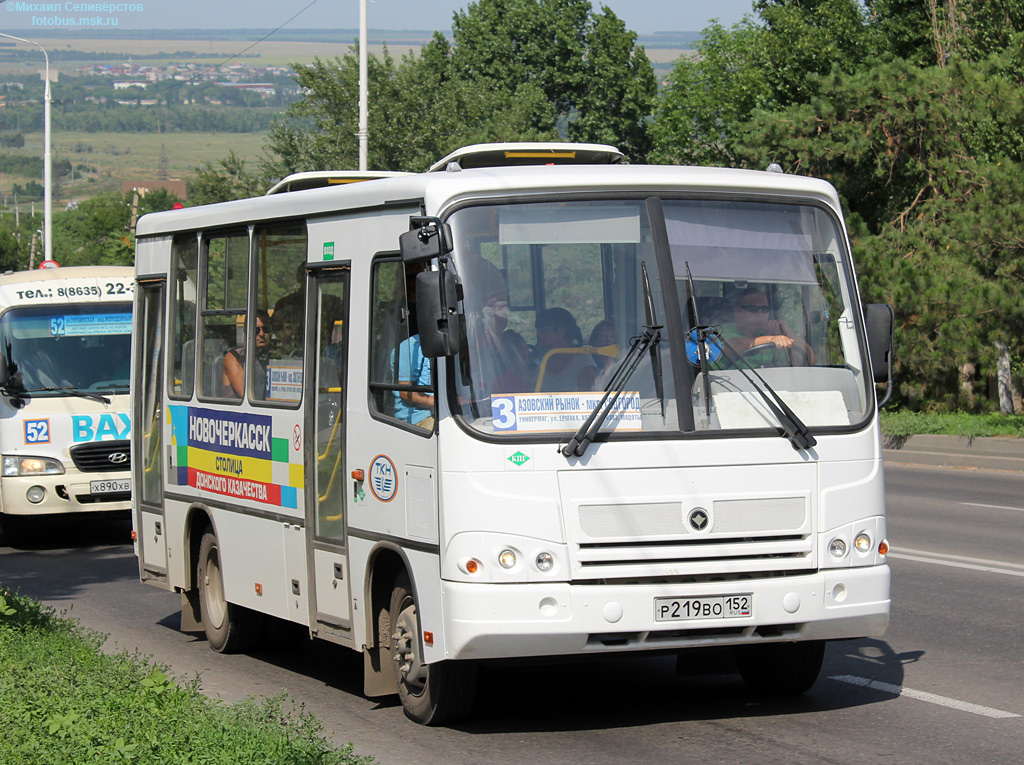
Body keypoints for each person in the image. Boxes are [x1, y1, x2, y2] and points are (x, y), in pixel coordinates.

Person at [720, 288, 815, 366]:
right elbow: (733, 346)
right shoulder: (721, 330)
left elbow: (809, 359)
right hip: (731, 387)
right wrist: (771, 339)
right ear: (737, 311)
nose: (760, 313)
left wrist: (786, 331)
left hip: (769, 387)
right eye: (753, 309)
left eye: (764, 309)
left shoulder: (770, 334)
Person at [393, 264, 434, 428]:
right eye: (412, 278)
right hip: (418, 419)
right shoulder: (409, 347)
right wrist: (438, 402)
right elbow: (405, 393)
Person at [533, 307, 596, 392]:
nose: (538, 334)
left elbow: (588, 398)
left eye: (543, 330)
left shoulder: (583, 362)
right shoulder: (543, 361)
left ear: (560, 332)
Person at [222, 309, 271, 398]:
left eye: (265, 329)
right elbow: (248, 396)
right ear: (246, 331)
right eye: (256, 330)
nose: (262, 334)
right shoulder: (233, 357)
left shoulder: (272, 357)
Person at [587, 319, 617, 389]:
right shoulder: (588, 363)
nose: (608, 340)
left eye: (612, 337)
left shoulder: (624, 362)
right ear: (594, 340)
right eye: (603, 336)